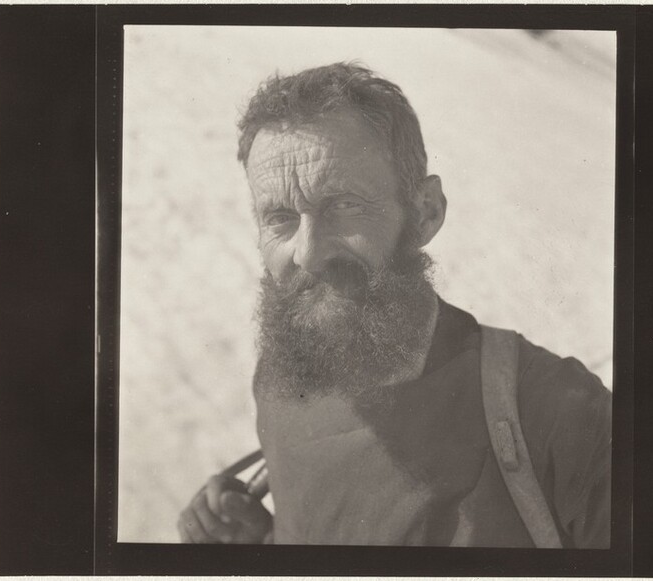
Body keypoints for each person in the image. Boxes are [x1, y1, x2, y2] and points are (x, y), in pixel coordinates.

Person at [177, 62, 612, 548]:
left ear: (426, 212)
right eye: (280, 218)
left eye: (344, 206)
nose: (308, 253)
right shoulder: (285, 377)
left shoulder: (559, 413)